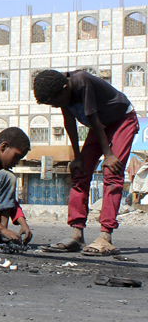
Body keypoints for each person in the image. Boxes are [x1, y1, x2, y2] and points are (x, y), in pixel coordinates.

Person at [34, 69, 138, 256]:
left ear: (65, 89)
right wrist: (77, 157)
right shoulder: (62, 89)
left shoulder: (81, 82)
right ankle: (76, 234)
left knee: (112, 173)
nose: (57, 106)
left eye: (56, 102)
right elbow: (69, 122)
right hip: (99, 126)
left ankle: (105, 236)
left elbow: (93, 119)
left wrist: (108, 154)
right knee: (80, 172)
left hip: (122, 120)